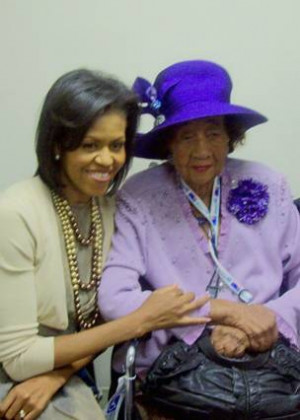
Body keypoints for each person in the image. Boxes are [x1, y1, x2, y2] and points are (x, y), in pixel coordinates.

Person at [0, 68, 210, 420]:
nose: (107, 160)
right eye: (89, 145)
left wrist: (57, 375)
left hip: (64, 370)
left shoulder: (111, 208)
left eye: (116, 145)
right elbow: (18, 357)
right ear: (55, 145)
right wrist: (142, 320)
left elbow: (99, 320)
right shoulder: (16, 213)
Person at [98, 60, 300, 416]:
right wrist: (221, 313)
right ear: (168, 143)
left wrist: (267, 321)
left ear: (231, 136)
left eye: (214, 132)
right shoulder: (139, 197)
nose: (202, 149)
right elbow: (115, 300)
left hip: (270, 358)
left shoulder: (270, 183)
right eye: (187, 135)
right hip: (179, 369)